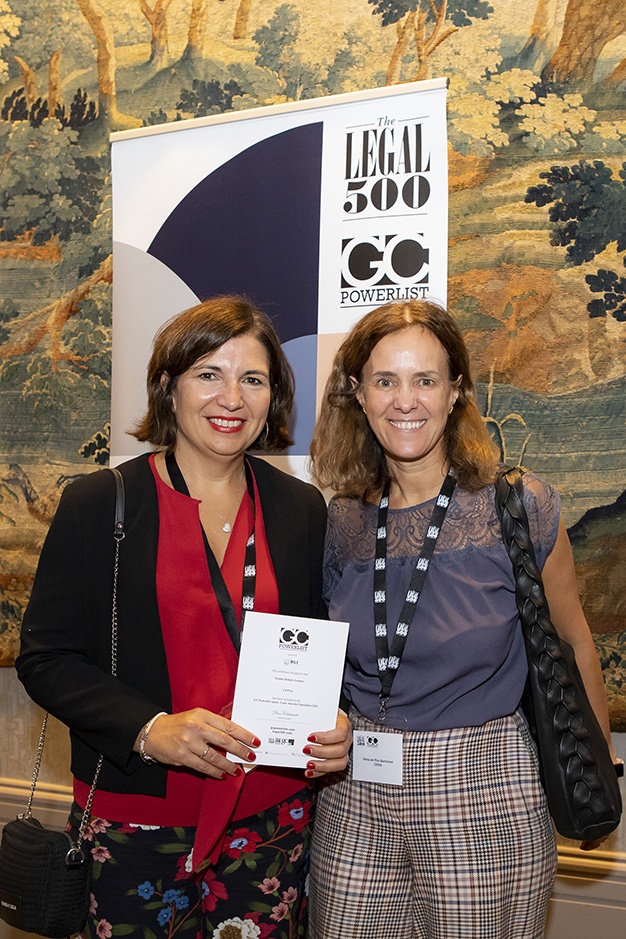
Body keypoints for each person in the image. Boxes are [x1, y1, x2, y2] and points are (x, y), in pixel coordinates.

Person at [16, 295, 351, 939]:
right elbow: (46, 659)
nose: (232, 398)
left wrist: (331, 718)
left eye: (253, 379)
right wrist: (150, 729)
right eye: (209, 374)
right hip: (135, 816)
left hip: (269, 818)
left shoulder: (301, 508)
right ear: (169, 386)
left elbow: (313, 644)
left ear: (273, 398)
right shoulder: (99, 504)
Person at [307, 299, 620, 939]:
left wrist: (595, 778)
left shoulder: (518, 504)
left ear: (455, 393)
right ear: (358, 394)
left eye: (425, 379)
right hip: (354, 790)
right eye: (385, 380)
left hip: (481, 786)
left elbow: (574, 642)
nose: (405, 401)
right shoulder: (343, 518)